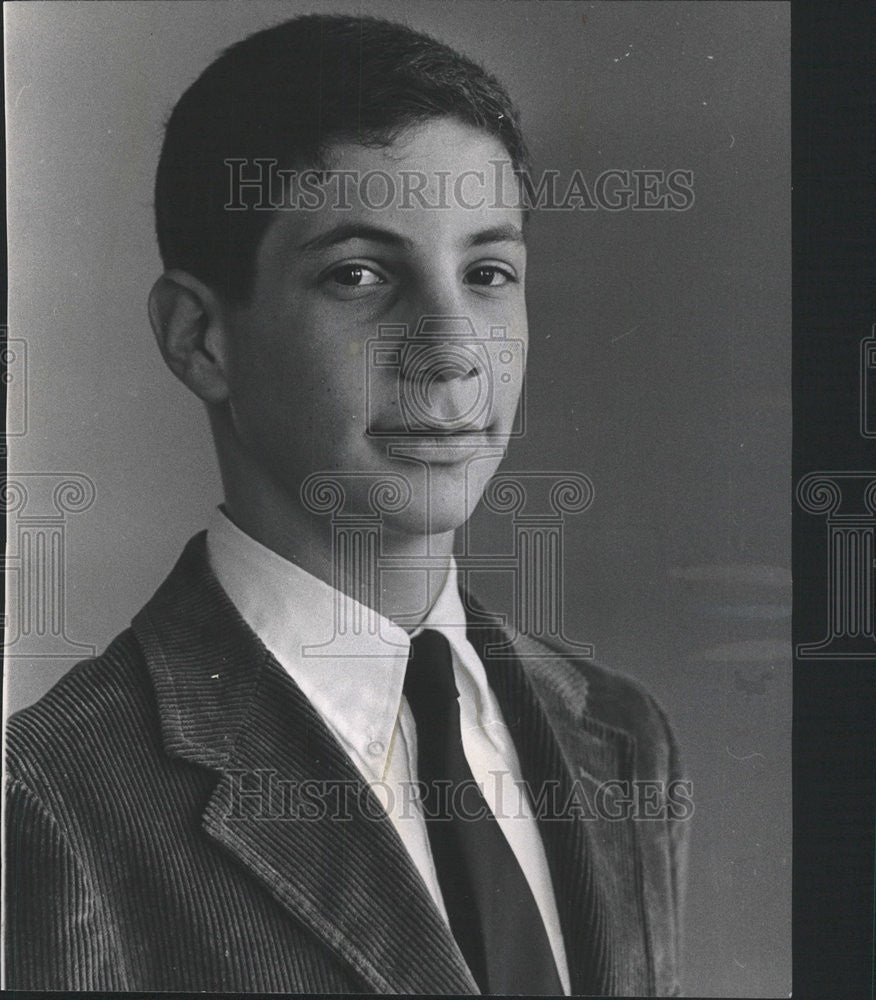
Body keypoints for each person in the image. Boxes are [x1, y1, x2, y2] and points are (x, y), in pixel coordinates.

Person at [5, 13, 688, 995]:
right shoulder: (49, 801)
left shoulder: (621, 738)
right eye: (359, 275)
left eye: (488, 273)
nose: (453, 348)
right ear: (201, 338)